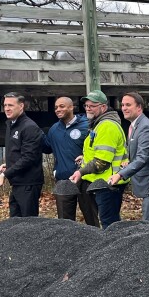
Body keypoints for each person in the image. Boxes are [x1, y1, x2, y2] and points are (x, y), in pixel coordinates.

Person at [69, 90, 128, 229]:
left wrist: (81, 172)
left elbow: (102, 162)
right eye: (86, 105)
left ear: (103, 107)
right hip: (103, 181)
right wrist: (85, 158)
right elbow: (100, 151)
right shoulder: (99, 124)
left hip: (109, 183)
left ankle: (115, 249)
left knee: (109, 223)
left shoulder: (107, 126)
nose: (88, 108)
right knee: (108, 220)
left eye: (92, 105)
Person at [42, 96, 99, 226]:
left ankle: (98, 243)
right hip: (63, 179)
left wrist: (86, 158)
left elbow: (98, 148)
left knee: (92, 219)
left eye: (62, 106)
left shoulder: (87, 126)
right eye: (56, 107)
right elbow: (46, 147)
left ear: (71, 107)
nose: (58, 109)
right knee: (65, 224)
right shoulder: (54, 130)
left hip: (85, 178)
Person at [109, 92, 149, 222]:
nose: (124, 108)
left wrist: (120, 174)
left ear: (139, 107)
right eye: (122, 105)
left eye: (128, 105)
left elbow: (143, 157)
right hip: (146, 184)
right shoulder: (135, 125)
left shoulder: (145, 127)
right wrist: (129, 161)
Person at [0, 92, 43, 218]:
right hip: (17, 182)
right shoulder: (10, 124)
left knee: (28, 223)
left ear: (21, 106)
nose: (7, 109)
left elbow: (28, 158)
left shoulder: (29, 127)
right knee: (15, 222)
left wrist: (5, 174)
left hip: (28, 183)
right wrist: (8, 165)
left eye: (11, 105)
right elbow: (17, 152)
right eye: (5, 105)